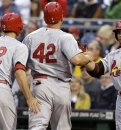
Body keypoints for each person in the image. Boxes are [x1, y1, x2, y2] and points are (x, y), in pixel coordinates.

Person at [22, 2, 94, 130]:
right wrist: (89, 56)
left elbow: (20, 65)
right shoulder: (65, 37)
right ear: (62, 17)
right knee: (62, 127)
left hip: (40, 83)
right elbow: (77, 60)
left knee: (37, 126)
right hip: (61, 85)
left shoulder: (30, 37)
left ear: (44, 18)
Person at [85, 19, 121, 130]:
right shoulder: (113, 55)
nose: (120, 35)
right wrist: (85, 59)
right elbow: (97, 70)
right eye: (118, 32)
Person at [0, 13, 40, 130]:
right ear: (19, 28)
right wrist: (29, 97)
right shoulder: (19, 46)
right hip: (2, 89)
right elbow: (19, 72)